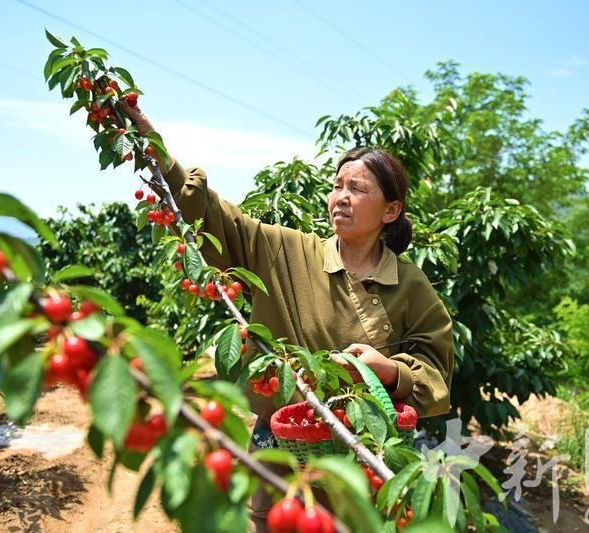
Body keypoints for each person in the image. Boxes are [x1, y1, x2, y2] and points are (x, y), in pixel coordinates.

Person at [121, 101, 454, 528]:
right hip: (283, 450)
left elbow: (436, 375)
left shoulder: (411, 286)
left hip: (367, 456)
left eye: (357, 188)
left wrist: (388, 372)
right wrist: (156, 150)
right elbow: (217, 220)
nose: (341, 198)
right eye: (337, 186)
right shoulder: (286, 251)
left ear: (390, 211)